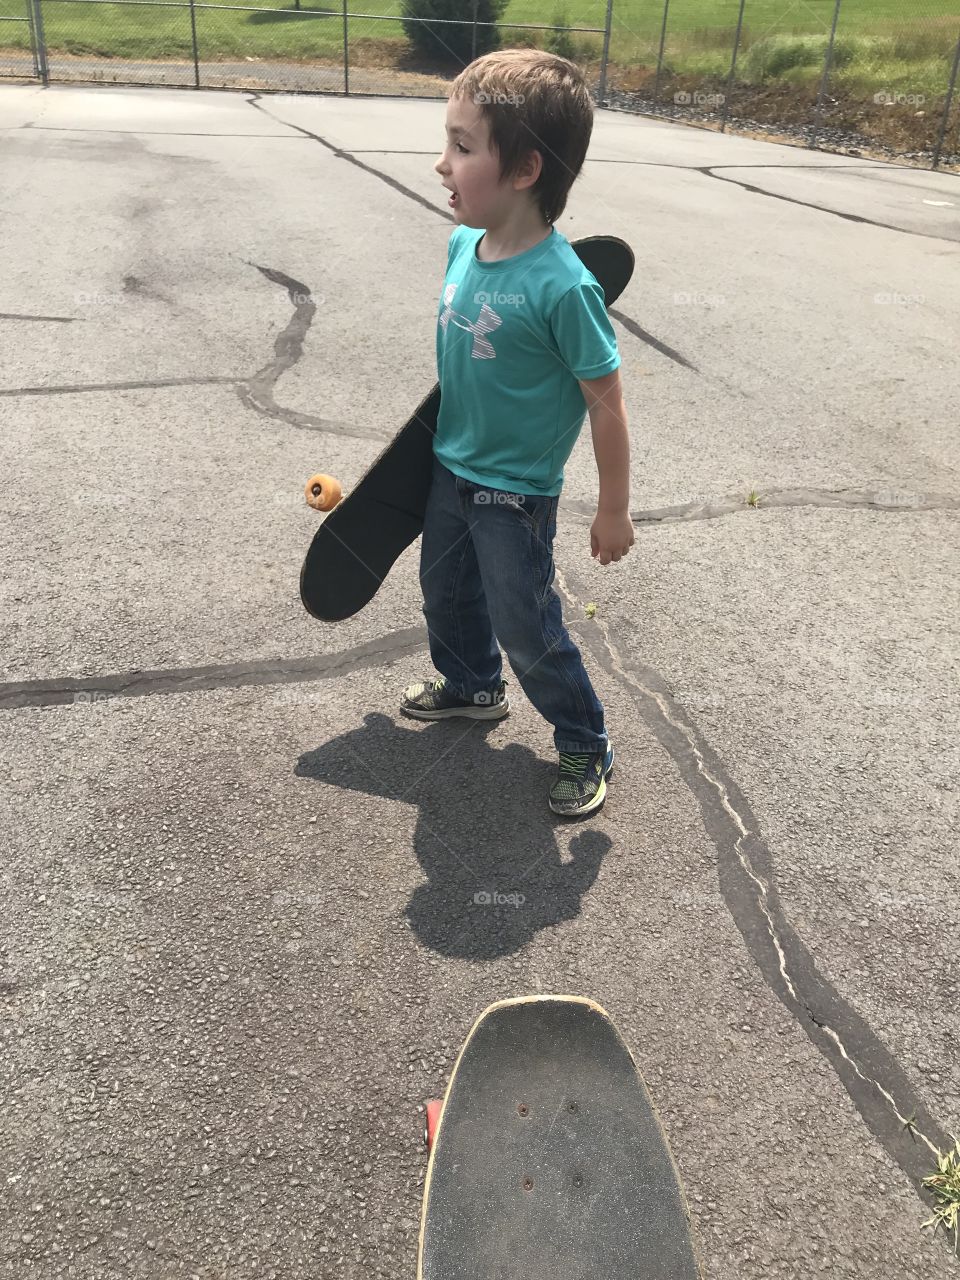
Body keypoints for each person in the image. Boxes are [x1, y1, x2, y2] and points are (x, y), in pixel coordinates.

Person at [400, 48, 634, 818]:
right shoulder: (464, 244)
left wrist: (613, 507)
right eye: (447, 141)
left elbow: (606, 401)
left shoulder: (563, 286)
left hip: (515, 492)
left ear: (526, 170)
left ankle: (583, 741)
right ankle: (471, 684)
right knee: (444, 592)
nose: (442, 164)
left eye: (463, 148)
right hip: (450, 468)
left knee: (525, 623)